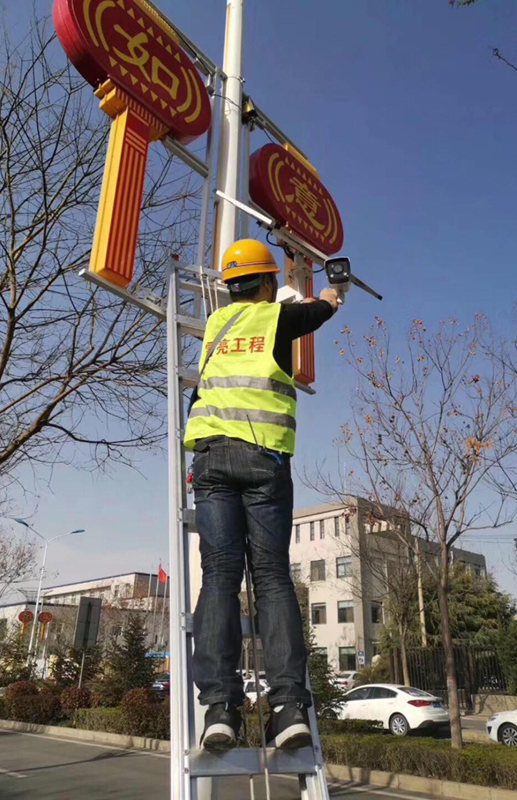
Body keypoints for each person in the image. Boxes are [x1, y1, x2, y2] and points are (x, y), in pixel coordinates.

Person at [184, 238, 338, 751]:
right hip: (263, 460)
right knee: (271, 577)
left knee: (219, 578)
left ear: (230, 289)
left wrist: (287, 280)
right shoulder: (275, 319)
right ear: (267, 283)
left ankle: (219, 711)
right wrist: (335, 291)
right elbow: (316, 311)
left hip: (208, 461)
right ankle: (289, 707)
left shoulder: (214, 327)